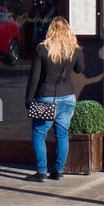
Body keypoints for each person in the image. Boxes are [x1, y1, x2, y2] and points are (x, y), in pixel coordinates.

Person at [24, 17, 85, 181]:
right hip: (68, 97)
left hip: (46, 96)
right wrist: (77, 51)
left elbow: (34, 78)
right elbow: (80, 69)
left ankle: (42, 172)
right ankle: (58, 171)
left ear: (51, 31)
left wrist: (29, 100)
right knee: (62, 134)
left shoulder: (42, 49)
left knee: (39, 133)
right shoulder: (74, 50)